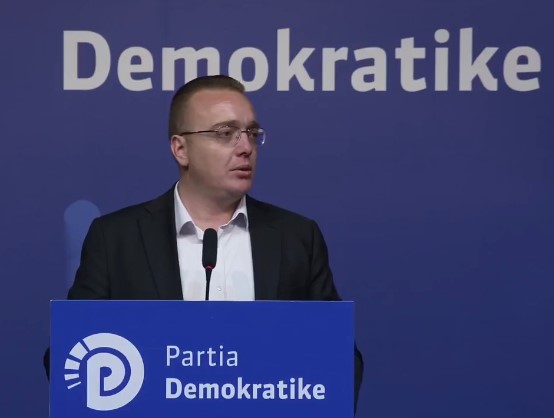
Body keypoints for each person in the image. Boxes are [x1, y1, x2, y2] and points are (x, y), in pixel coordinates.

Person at [45, 75, 363, 409]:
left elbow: (340, 357)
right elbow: (72, 355)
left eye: (252, 133)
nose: (246, 147)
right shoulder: (116, 239)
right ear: (180, 149)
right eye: (226, 133)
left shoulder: (296, 237)